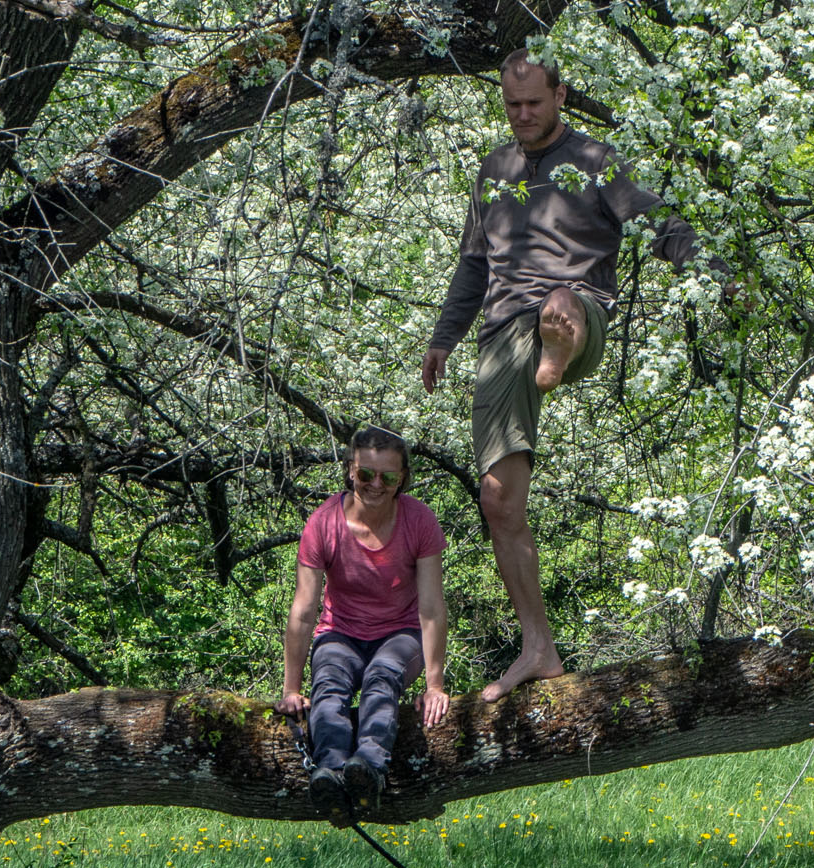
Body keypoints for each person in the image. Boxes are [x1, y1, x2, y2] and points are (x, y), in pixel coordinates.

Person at [421, 48, 716, 702]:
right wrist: (445, 338)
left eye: (534, 103)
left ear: (560, 96)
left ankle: (556, 354)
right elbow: (473, 264)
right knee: (498, 499)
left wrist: (714, 272)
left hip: (579, 315)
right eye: (512, 106)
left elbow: (657, 224)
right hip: (504, 333)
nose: (523, 115)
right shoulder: (493, 170)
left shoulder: (595, 162)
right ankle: (539, 647)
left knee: (557, 305)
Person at [277, 427, 450, 823]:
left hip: (400, 632)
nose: (376, 485)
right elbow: (304, 609)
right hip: (341, 632)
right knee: (330, 683)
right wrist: (290, 689)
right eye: (366, 474)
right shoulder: (323, 523)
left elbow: (432, 606)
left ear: (402, 478)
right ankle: (331, 772)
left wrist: (434, 685)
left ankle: (369, 768)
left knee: (381, 678)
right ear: (350, 471)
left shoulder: (418, 520)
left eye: (388, 477)